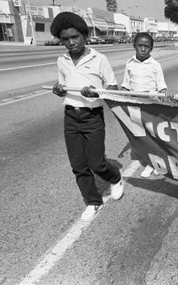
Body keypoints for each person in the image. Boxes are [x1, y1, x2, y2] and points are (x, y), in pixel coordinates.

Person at [50, 12, 123, 222]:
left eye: (75, 37)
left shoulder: (99, 58)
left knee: (97, 163)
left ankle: (115, 178)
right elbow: (64, 87)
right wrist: (60, 91)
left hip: (92, 117)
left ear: (84, 35)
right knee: (78, 165)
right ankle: (93, 202)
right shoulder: (62, 60)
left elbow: (113, 87)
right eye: (65, 39)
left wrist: (97, 92)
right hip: (71, 116)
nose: (71, 43)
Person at [121, 32, 168, 177]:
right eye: (140, 46)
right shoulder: (129, 64)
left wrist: (165, 99)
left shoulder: (155, 65)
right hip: (135, 105)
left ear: (151, 48)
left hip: (150, 105)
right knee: (141, 136)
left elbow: (162, 87)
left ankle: (157, 163)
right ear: (134, 46)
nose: (143, 49)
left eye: (146, 46)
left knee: (153, 135)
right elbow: (125, 86)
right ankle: (148, 162)